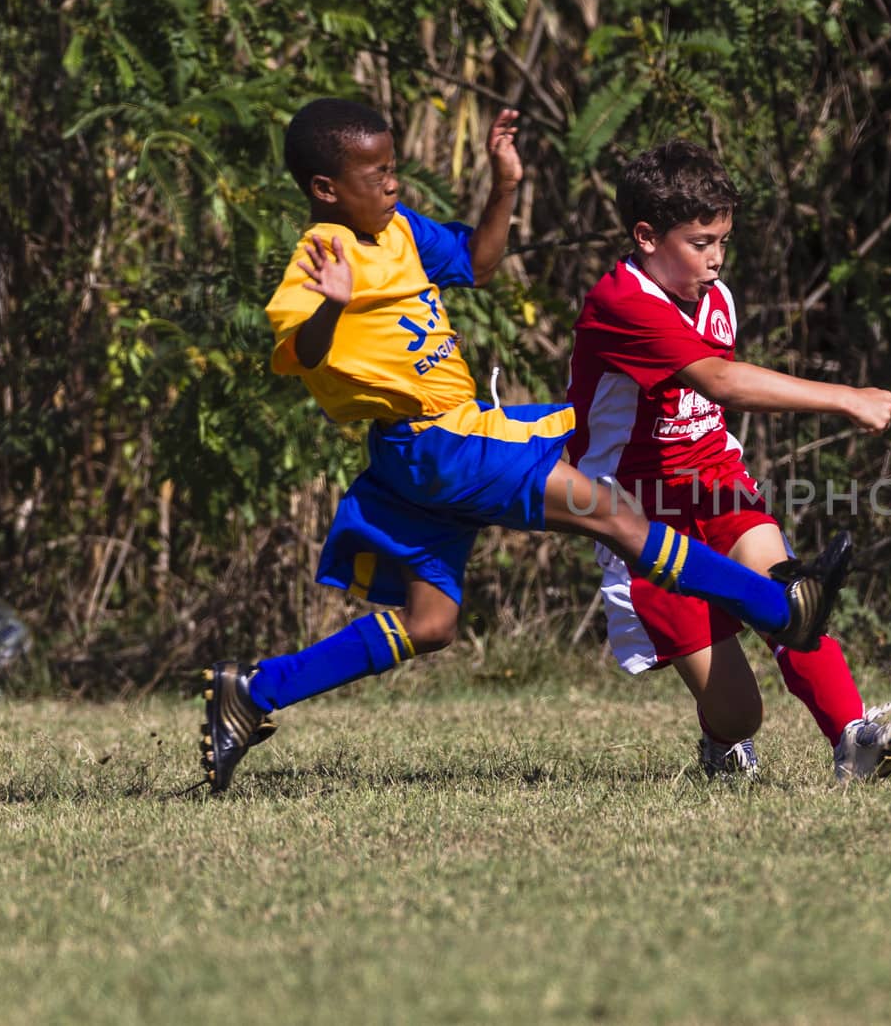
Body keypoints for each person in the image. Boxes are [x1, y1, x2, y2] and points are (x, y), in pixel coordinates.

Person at [198, 100, 852, 793]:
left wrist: (504, 184)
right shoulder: (320, 254)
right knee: (614, 512)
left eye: (394, 168)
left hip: (422, 451)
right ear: (326, 189)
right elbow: (299, 349)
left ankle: (257, 690)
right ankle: (783, 607)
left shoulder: (399, 230)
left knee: (430, 621)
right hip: (439, 441)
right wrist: (331, 301)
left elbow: (478, 263)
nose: (394, 183)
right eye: (378, 172)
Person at [565, 139, 891, 782]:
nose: (716, 258)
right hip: (640, 521)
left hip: (718, 487)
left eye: (723, 241)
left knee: (794, 597)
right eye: (700, 242)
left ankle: (854, 738)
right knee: (740, 713)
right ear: (646, 237)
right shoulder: (621, 303)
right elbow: (721, 383)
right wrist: (846, 398)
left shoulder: (716, 298)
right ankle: (721, 743)